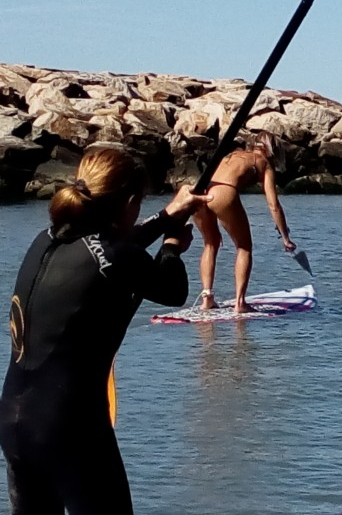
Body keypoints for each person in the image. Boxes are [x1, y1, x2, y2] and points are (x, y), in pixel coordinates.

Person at [0, 144, 210, 515]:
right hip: (69, 426)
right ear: (130, 202)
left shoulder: (47, 238)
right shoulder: (115, 256)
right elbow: (172, 289)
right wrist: (173, 247)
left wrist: (166, 216)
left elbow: (110, 252)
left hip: (16, 423)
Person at [193, 132, 296, 313]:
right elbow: (274, 205)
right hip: (223, 193)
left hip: (200, 191)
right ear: (273, 149)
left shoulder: (232, 154)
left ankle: (207, 298)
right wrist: (286, 237)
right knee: (244, 247)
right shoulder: (263, 163)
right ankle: (240, 303)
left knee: (210, 243)